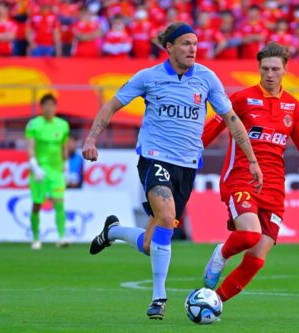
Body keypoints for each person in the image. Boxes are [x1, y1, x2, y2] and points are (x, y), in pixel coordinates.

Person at [81, 22, 263, 320]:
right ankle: (158, 297)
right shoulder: (148, 77)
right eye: (186, 43)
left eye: (195, 43)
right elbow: (111, 106)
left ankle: (112, 231)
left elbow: (230, 118)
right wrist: (91, 138)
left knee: (152, 243)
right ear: (169, 47)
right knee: (166, 216)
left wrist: (252, 160)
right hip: (154, 158)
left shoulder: (206, 78)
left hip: (187, 165)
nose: (193, 48)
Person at [201, 42, 299, 303]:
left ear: (285, 70)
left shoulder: (293, 105)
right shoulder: (242, 99)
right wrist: (192, 150)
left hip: (274, 187)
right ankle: (221, 255)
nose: (270, 74)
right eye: (265, 69)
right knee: (248, 235)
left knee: (257, 259)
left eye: (275, 69)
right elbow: (213, 127)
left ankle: (213, 303)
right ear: (258, 69)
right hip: (242, 176)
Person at [25, 93, 70, 250]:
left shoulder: (63, 125)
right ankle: (36, 238)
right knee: (37, 204)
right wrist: (34, 166)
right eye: (47, 105)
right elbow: (30, 147)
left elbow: (64, 147)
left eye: (52, 105)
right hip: (40, 171)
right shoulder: (34, 125)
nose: (50, 108)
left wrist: (66, 166)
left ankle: (62, 237)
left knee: (59, 202)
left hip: (57, 171)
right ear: (41, 107)